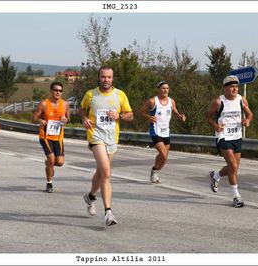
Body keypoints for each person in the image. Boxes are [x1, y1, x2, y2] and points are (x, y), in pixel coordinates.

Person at [80, 66, 133, 226]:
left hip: (112, 138)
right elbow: (82, 110)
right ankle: (108, 212)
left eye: (109, 77)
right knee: (107, 173)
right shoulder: (91, 94)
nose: (106, 80)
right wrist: (84, 119)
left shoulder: (120, 95)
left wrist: (120, 115)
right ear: (99, 78)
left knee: (101, 172)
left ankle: (90, 196)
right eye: (103, 77)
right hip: (96, 136)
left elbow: (131, 115)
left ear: (113, 78)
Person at [205, 75, 253, 208]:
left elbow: (250, 114)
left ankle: (216, 175)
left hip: (237, 137)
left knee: (234, 167)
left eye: (237, 86)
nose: (235, 89)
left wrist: (247, 120)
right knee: (232, 164)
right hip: (223, 137)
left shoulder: (241, 100)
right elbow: (208, 116)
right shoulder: (219, 102)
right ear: (225, 88)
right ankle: (236, 196)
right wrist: (215, 125)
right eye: (232, 86)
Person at [140, 81, 186, 183]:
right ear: (158, 90)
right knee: (163, 154)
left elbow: (174, 109)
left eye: (167, 88)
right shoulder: (152, 101)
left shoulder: (171, 101)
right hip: (155, 131)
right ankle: (154, 170)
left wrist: (180, 115)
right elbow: (142, 111)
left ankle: (155, 171)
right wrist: (149, 117)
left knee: (165, 157)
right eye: (163, 88)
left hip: (166, 131)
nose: (165, 90)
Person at [31, 81, 70, 193]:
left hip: (58, 137)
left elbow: (68, 118)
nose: (58, 92)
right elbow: (33, 118)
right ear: (51, 91)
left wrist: (65, 119)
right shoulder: (44, 104)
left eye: (60, 91)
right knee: (52, 159)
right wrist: (40, 120)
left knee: (60, 162)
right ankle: (49, 183)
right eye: (56, 90)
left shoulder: (65, 104)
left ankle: (48, 163)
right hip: (45, 136)